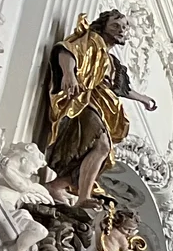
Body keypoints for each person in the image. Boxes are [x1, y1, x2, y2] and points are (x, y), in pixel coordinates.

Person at [43, 11, 156, 206]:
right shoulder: (92, 41)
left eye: (125, 27)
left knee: (102, 154)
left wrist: (143, 99)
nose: (121, 30)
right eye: (115, 25)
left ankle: (56, 185)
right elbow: (67, 51)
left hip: (102, 106)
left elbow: (120, 88)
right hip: (85, 101)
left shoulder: (111, 62)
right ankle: (83, 197)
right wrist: (69, 74)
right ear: (103, 26)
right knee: (102, 146)